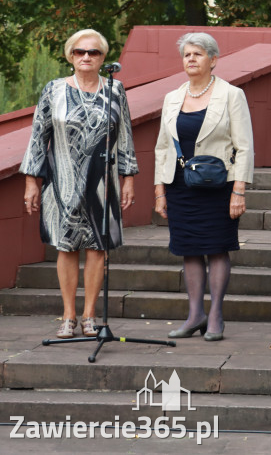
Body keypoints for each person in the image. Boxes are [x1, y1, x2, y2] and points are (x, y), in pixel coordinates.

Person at [21, 29, 138, 339]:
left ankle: (89, 316)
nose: (86, 57)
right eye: (79, 52)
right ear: (70, 55)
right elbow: (37, 137)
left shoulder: (115, 89)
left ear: (103, 58)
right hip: (62, 182)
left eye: (94, 52)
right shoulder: (54, 90)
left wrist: (128, 179)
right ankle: (68, 315)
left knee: (98, 248)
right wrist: (32, 182)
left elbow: (124, 136)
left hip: (104, 182)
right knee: (67, 247)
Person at [154, 33, 254, 342]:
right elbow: (162, 147)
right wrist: (159, 190)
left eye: (198, 54)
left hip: (218, 186)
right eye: (187, 55)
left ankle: (215, 315)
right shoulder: (173, 97)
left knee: (217, 247)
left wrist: (239, 190)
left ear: (213, 59)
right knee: (189, 250)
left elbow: (244, 147)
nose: (191, 59)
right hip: (180, 187)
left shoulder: (231, 95)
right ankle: (195, 313)